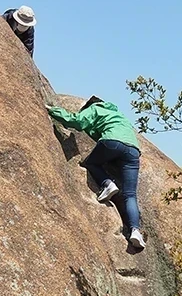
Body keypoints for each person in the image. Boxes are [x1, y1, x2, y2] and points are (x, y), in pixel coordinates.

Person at [47, 96, 146, 250]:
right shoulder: (119, 115)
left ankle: (107, 184)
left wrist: (53, 111)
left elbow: (77, 122)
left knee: (91, 162)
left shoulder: (95, 109)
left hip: (112, 142)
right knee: (130, 194)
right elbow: (96, 132)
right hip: (133, 150)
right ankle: (135, 231)